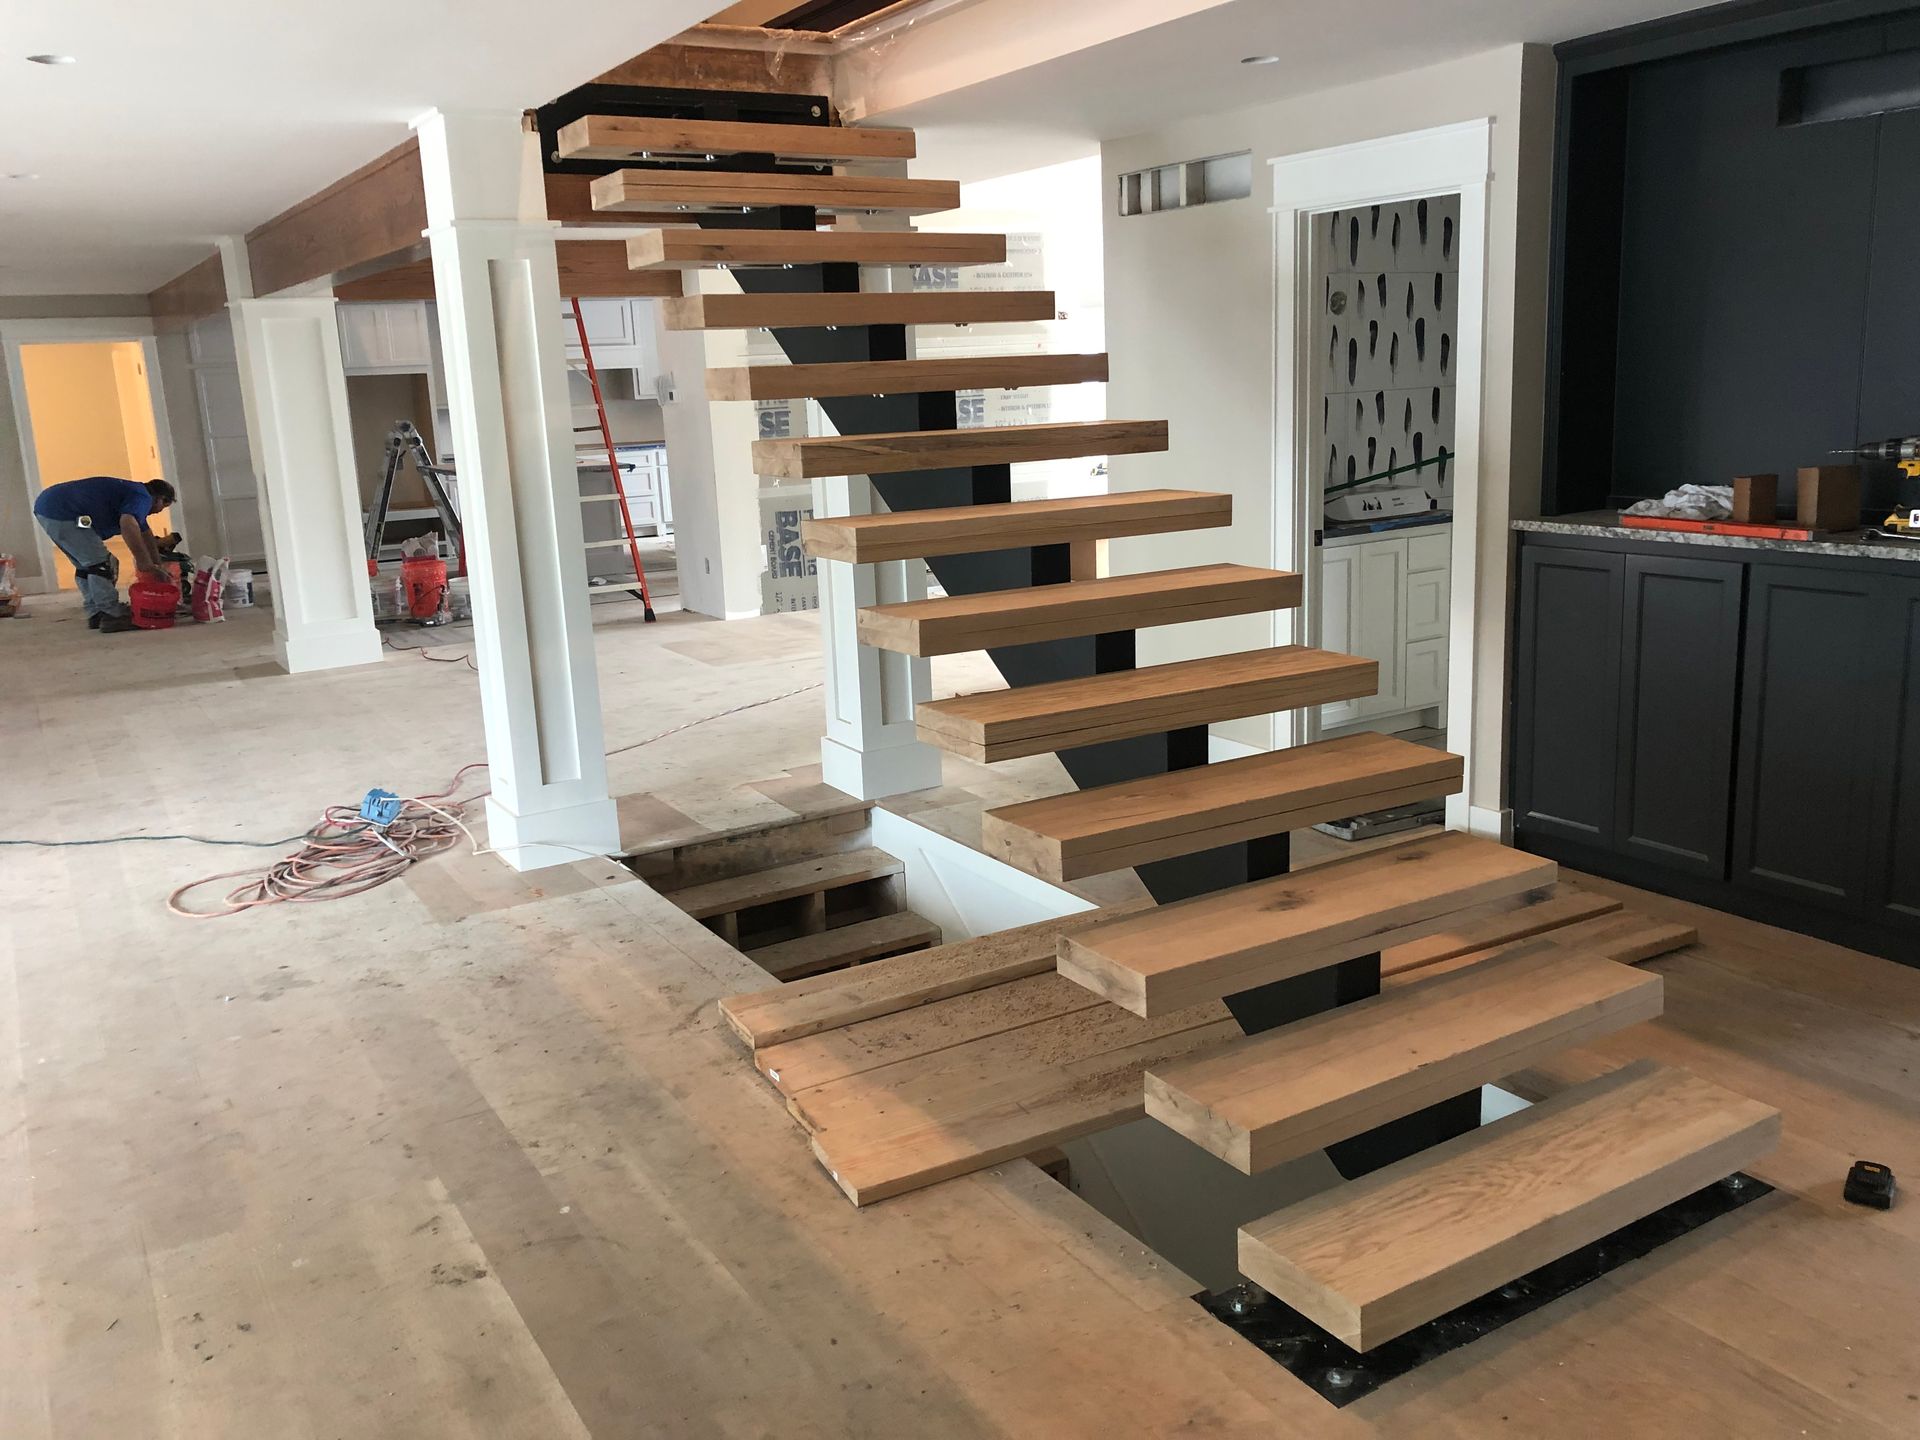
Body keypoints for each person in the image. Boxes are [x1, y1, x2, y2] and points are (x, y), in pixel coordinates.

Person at [32, 476, 176, 633]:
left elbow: (146, 534)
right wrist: (144, 563)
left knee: (87, 565)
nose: (158, 512)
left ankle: (96, 613)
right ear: (160, 499)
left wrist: (157, 564)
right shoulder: (142, 496)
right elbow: (128, 523)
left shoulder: (133, 494)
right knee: (102, 564)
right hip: (64, 512)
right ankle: (111, 614)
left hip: (52, 510)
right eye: (164, 506)